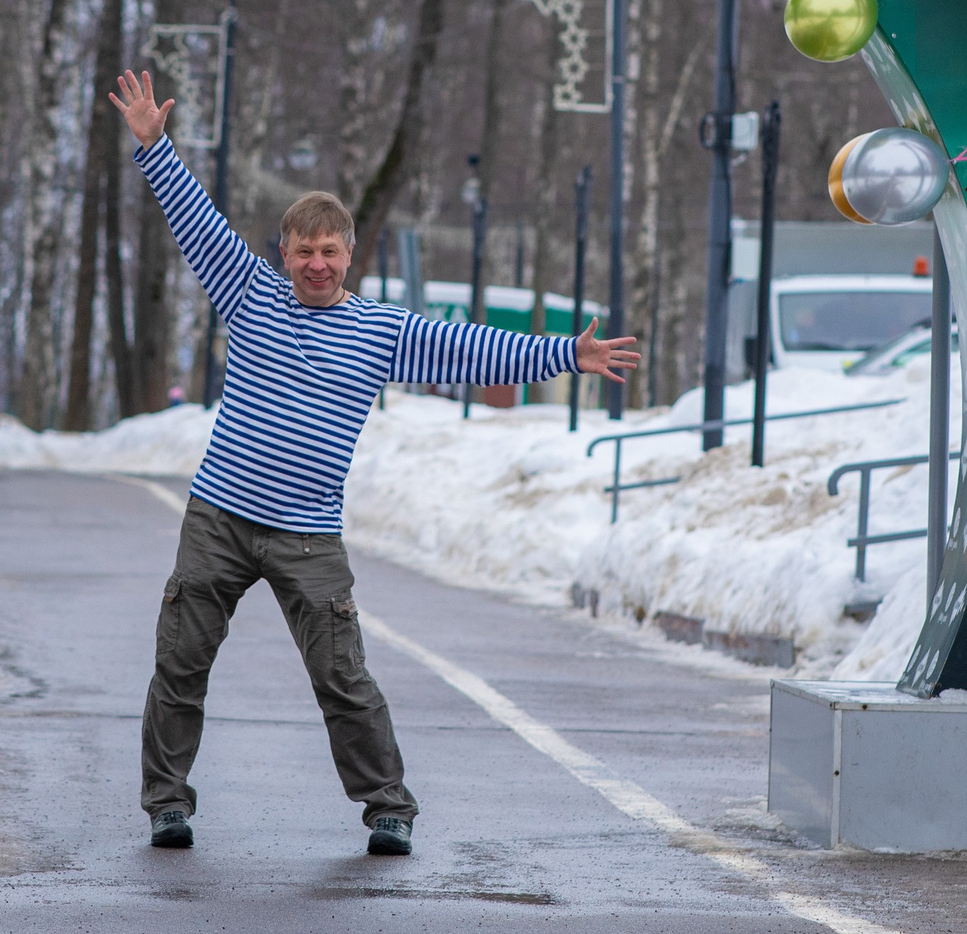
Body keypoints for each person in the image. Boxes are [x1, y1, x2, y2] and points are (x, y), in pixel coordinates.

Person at [111, 69, 639, 858]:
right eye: (303, 252)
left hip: (308, 534)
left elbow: (472, 348)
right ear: (283, 254)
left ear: (349, 256)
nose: (316, 264)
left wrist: (568, 351)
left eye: (329, 252)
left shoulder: (380, 331)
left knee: (344, 679)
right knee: (179, 665)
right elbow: (197, 222)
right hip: (219, 518)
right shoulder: (250, 292)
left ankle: (388, 806)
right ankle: (166, 803)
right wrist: (155, 146)